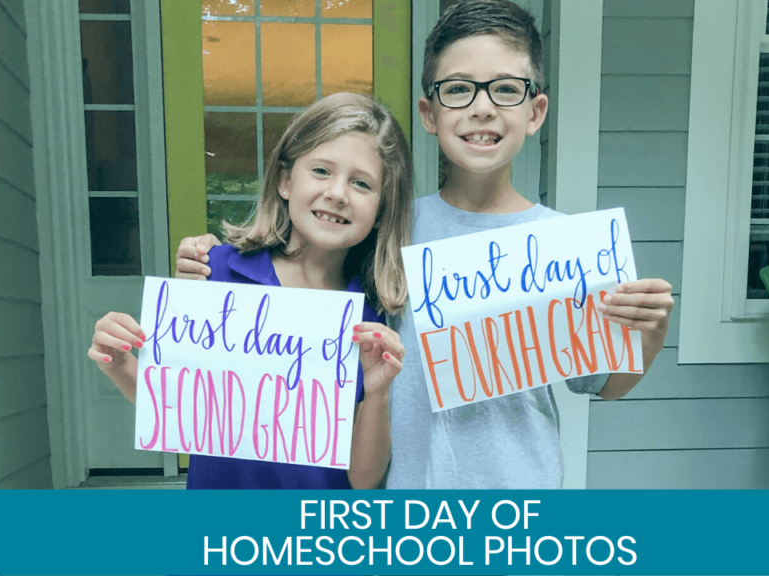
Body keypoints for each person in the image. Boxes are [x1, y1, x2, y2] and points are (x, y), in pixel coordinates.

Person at [172, 0, 674, 489]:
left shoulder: (567, 245)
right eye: (458, 89)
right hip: (403, 496)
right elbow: (302, 273)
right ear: (429, 113)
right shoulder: (383, 227)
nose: (482, 109)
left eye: (505, 89)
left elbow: (605, 386)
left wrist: (648, 335)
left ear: (535, 111)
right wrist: (213, 267)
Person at [87, 92, 413, 490]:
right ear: (284, 180)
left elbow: (364, 480)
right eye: (322, 171)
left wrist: (377, 393)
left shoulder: (372, 317)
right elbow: (180, 411)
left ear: (381, 210)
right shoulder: (216, 272)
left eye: (361, 183)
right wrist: (119, 364)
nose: (338, 193)